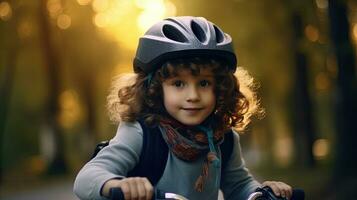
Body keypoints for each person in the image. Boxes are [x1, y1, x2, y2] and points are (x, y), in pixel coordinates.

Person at [73, 16, 292, 200]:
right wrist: (118, 185)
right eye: (178, 84)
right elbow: (86, 179)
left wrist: (261, 192)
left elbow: (238, 185)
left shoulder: (222, 138)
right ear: (156, 89)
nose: (193, 96)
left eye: (204, 83)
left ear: (221, 87)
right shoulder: (141, 133)